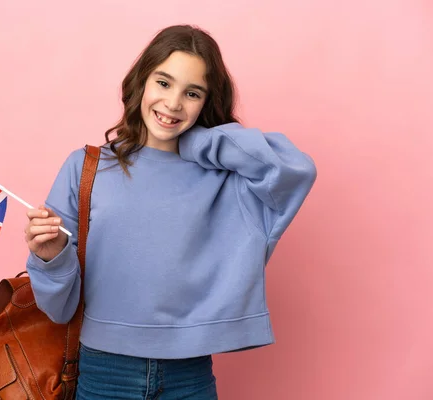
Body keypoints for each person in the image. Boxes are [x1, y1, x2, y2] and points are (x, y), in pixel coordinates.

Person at [23, 24, 317, 399]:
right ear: (142, 81)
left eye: (192, 93)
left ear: (206, 102)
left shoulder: (228, 179)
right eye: (164, 83)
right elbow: (58, 310)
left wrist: (197, 140)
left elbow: (296, 169)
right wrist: (51, 259)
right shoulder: (86, 168)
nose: (174, 103)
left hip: (189, 376)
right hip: (104, 373)